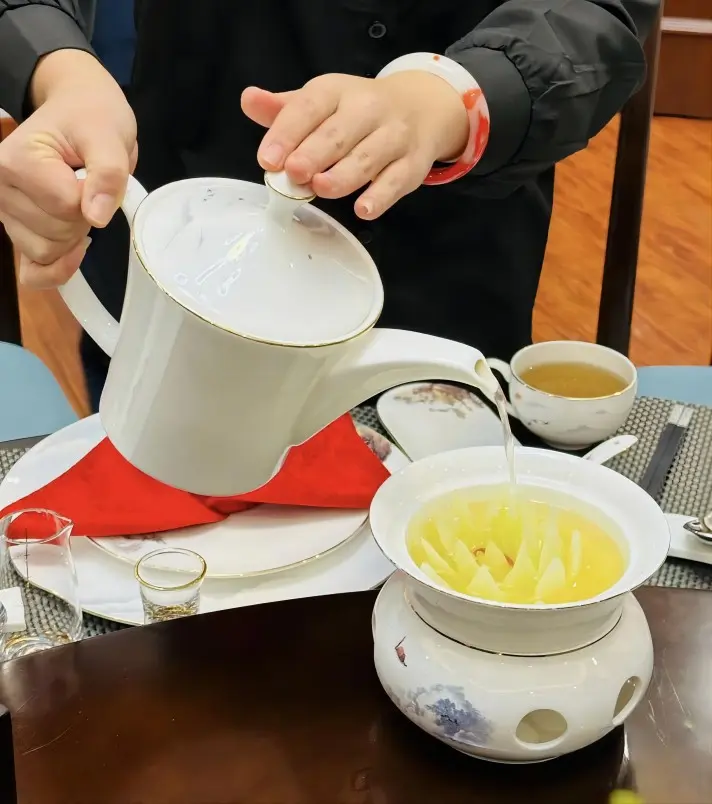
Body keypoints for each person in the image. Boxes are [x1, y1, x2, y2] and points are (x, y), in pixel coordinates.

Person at [0, 0, 659, 411]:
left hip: (445, 273)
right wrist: (59, 70)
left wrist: (451, 97)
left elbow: (596, 13)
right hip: (184, 250)